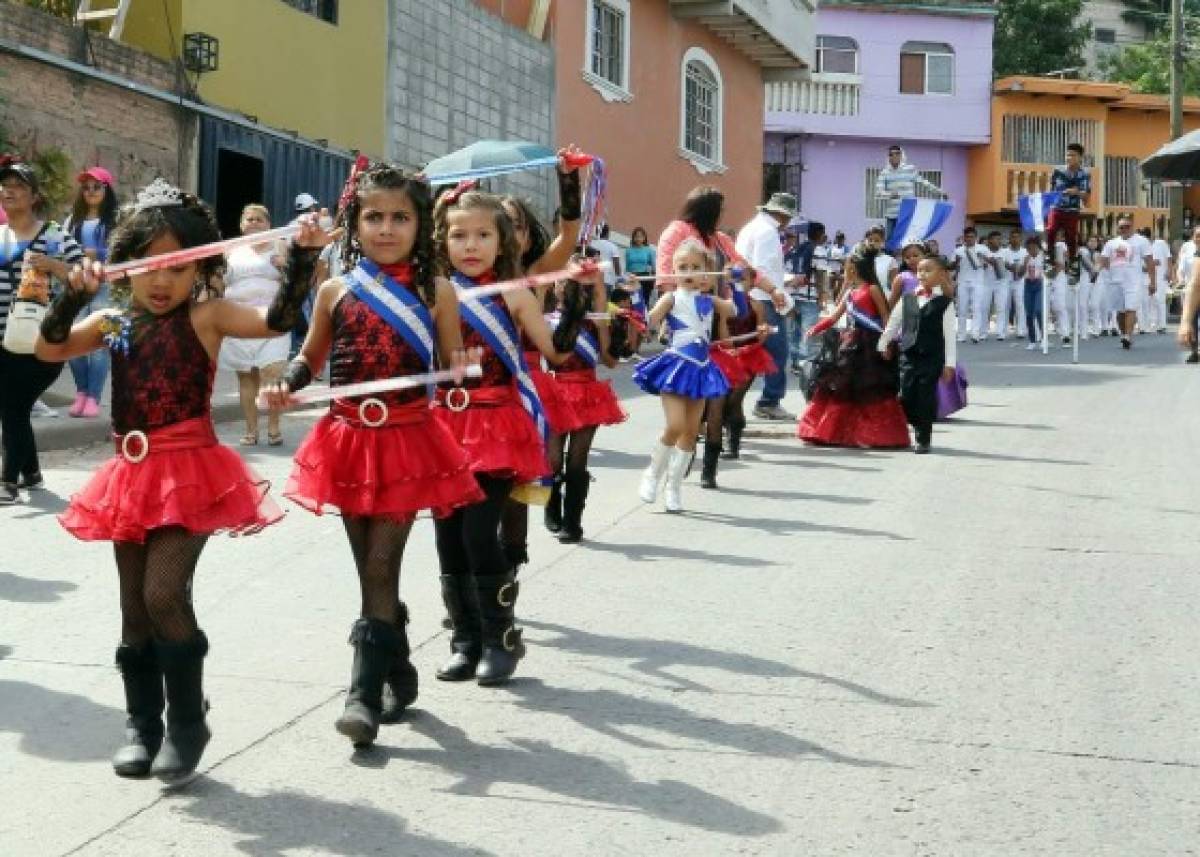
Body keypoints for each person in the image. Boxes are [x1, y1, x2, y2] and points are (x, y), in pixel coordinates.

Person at [35, 179, 318, 785]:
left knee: (163, 594)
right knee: (134, 607)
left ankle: (188, 723)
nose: (161, 281)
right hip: (129, 474)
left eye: (177, 266)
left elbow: (277, 318)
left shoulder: (207, 315)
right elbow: (47, 349)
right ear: (126, 267)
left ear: (198, 268)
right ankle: (143, 724)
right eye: (148, 266)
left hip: (192, 471)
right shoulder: (112, 321)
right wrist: (69, 298)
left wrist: (305, 259)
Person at [270, 164, 485, 747]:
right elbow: (312, 356)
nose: (386, 228)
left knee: (380, 565)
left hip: (408, 439)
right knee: (368, 565)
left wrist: (464, 365)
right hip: (347, 441)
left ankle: (360, 697)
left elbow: (452, 356)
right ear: (353, 224)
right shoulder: (337, 290)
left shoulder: (435, 291)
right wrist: (289, 380)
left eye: (399, 217)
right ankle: (398, 666)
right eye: (374, 217)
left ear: (420, 225)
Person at [432, 188, 568, 686]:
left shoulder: (513, 293)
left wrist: (575, 315)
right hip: (443, 426)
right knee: (447, 537)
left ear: (501, 240)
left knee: (476, 533)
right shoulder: (435, 292)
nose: (471, 245)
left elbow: (553, 351)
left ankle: (501, 639)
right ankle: (464, 642)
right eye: (459, 235)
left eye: (483, 235)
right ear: (441, 240)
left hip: (493, 425)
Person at [498, 148, 585, 571]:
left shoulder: (537, 270)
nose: (505, 234)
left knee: (517, 490)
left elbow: (568, 235)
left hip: (524, 392)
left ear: (528, 235)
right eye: (497, 225)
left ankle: (503, 586)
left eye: (514, 225)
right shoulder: (458, 277)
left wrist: (567, 180)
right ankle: (464, 591)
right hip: (473, 394)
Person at [0, 158, 85, 504]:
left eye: (18, 186)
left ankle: (7, 480)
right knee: (12, 406)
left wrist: (53, 265)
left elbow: (85, 275)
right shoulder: (0, 233)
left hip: (40, 339)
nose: (9, 191)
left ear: (34, 196)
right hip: (3, 339)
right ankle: (31, 472)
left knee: (12, 407)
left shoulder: (52, 233)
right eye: (5, 186)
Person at [634, 239, 734, 512]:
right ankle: (652, 474)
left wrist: (731, 282)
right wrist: (634, 294)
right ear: (673, 271)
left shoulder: (709, 300)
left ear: (705, 272)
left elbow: (733, 310)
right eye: (682, 266)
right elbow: (649, 321)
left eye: (695, 267)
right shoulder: (671, 298)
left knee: (690, 433)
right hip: (676, 366)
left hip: (701, 369)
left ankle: (673, 487)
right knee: (675, 425)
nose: (688, 272)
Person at [798, 247, 911, 448]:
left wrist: (886, 342)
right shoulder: (850, 291)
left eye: (848, 267)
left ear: (857, 269)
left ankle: (873, 434)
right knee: (843, 388)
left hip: (871, 343)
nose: (845, 271)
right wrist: (816, 328)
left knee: (869, 388)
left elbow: (885, 316)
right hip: (850, 342)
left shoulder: (873, 289)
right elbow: (834, 317)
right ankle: (837, 431)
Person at [543, 261, 624, 542]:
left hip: (588, 392)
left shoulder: (594, 320)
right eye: (561, 280)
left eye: (571, 281)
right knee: (552, 459)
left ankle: (573, 521)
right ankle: (551, 505)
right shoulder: (544, 319)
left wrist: (599, 286)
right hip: (555, 392)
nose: (565, 286)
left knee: (577, 461)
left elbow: (611, 361)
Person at [217, 204, 292, 446]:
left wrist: (285, 266)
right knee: (247, 378)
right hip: (239, 320)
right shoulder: (230, 250)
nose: (254, 223)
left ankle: (273, 427)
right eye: (249, 219)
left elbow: (297, 277)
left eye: (259, 219)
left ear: (268, 224)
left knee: (273, 374)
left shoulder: (280, 244)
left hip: (272, 321)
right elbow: (219, 282)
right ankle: (251, 430)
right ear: (241, 225)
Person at [879, 253, 956, 453]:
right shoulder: (908, 299)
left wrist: (950, 364)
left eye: (928, 270)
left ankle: (923, 438)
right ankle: (914, 422)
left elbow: (949, 336)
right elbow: (893, 323)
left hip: (932, 357)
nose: (922, 274)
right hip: (908, 355)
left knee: (925, 396)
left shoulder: (945, 304)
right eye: (920, 270)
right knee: (906, 394)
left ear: (940, 275)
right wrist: (883, 343)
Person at [63, 166, 120, 418]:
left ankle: (94, 397)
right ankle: (81, 393)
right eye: (85, 187)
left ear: (107, 190)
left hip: (107, 285)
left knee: (100, 342)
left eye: (96, 187)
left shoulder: (117, 220)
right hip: (77, 285)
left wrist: (99, 255)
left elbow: (126, 252)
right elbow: (61, 250)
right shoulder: (72, 221)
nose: (90, 191)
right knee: (71, 339)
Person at [734, 192, 795, 421]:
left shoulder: (752, 227)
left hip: (749, 295)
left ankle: (737, 401)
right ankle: (769, 401)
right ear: (783, 215)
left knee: (751, 351)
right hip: (764, 298)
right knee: (778, 351)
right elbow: (762, 269)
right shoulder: (768, 233)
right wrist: (778, 294)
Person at [1100, 217, 1155, 350]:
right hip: (1116, 281)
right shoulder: (1111, 243)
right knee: (1120, 311)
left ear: (1132, 227)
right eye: (1121, 227)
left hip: (1133, 281)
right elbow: (1104, 259)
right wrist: (1109, 273)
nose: (1124, 229)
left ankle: (1128, 337)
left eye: (1127, 226)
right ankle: (1123, 334)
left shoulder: (1141, 241)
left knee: (1131, 308)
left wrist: (1153, 282)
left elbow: (1149, 261)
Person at [874, 145, 947, 241]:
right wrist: (890, 195)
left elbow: (924, 182)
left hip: (907, 211)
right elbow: (878, 193)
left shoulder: (909, 169)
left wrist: (940, 192)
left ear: (901, 155)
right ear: (888, 157)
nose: (894, 156)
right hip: (892, 214)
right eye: (891, 154)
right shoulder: (885, 172)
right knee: (890, 240)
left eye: (897, 153)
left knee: (906, 239)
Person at [1046, 143, 1091, 267]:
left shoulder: (1084, 174)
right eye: (1067, 155)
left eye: (1073, 155)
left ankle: (1072, 261)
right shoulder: (1057, 171)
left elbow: (1086, 196)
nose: (1069, 157)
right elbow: (1051, 189)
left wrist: (1076, 192)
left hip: (1072, 211)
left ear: (1080, 157)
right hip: (1056, 208)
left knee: (1071, 236)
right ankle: (1049, 256)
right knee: (1051, 230)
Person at [951, 227, 989, 343]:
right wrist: (956, 262)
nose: (969, 239)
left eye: (972, 237)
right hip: (963, 282)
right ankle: (961, 335)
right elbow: (953, 267)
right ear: (964, 238)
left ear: (976, 238)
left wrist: (982, 259)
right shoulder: (958, 251)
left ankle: (975, 334)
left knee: (976, 308)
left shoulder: (982, 249)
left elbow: (987, 265)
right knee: (962, 309)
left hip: (978, 282)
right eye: (967, 237)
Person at [974, 231, 1007, 341]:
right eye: (996, 239)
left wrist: (989, 260)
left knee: (1000, 307)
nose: (998, 241)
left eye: (999, 239)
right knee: (984, 308)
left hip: (1001, 283)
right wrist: (982, 262)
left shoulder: (1004, 252)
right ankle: (983, 332)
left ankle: (1000, 332)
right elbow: (979, 266)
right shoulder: (984, 251)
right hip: (986, 283)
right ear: (990, 241)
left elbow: (1000, 267)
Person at [1001, 230, 1027, 341]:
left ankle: (1021, 330)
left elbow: (1025, 265)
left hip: (1020, 281)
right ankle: (1002, 331)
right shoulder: (1004, 251)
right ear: (1009, 239)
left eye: (1017, 237)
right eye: (1013, 237)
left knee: (1020, 305)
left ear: (1021, 239)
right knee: (1005, 305)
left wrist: (1018, 271)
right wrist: (1013, 268)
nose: (1015, 239)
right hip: (1006, 281)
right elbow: (1005, 264)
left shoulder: (1025, 252)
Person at [1144, 228, 1171, 334]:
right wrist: (1151, 264)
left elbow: (1168, 257)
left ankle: (1162, 325)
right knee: (1148, 300)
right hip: (1146, 276)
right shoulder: (1142, 247)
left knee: (1160, 300)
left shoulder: (1161, 243)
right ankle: (1150, 323)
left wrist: (1169, 271)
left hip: (1160, 276)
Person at [1049, 228, 1073, 347]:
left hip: (1058, 276)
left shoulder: (1061, 245)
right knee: (1052, 305)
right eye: (1056, 235)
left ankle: (1066, 333)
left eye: (1060, 235)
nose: (1057, 237)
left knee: (1060, 306)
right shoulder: (1048, 245)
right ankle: (1058, 328)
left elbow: (1062, 263)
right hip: (1050, 276)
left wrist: (1057, 270)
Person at [1021, 236, 1046, 351]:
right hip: (1028, 284)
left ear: (1038, 247)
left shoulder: (1043, 257)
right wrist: (1024, 264)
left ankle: (1043, 337)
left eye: (1034, 247)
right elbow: (1020, 274)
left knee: (1039, 311)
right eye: (1029, 248)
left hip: (1039, 284)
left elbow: (1048, 270)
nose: (1032, 250)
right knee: (1029, 313)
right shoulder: (1025, 257)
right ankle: (1032, 340)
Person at [624, 226, 656, 307]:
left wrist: (654, 278)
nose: (638, 238)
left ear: (644, 238)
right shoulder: (628, 250)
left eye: (641, 236)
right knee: (632, 301)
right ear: (633, 238)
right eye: (636, 236)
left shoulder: (649, 250)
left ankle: (643, 318)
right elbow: (627, 267)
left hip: (644, 278)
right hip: (632, 277)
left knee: (644, 301)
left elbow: (654, 266)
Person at [589, 223, 621, 290]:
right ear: (608, 233)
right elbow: (616, 264)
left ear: (597, 232)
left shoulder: (591, 244)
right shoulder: (613, 246)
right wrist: (619, 278)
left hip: (592, 279)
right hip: (607, 280)